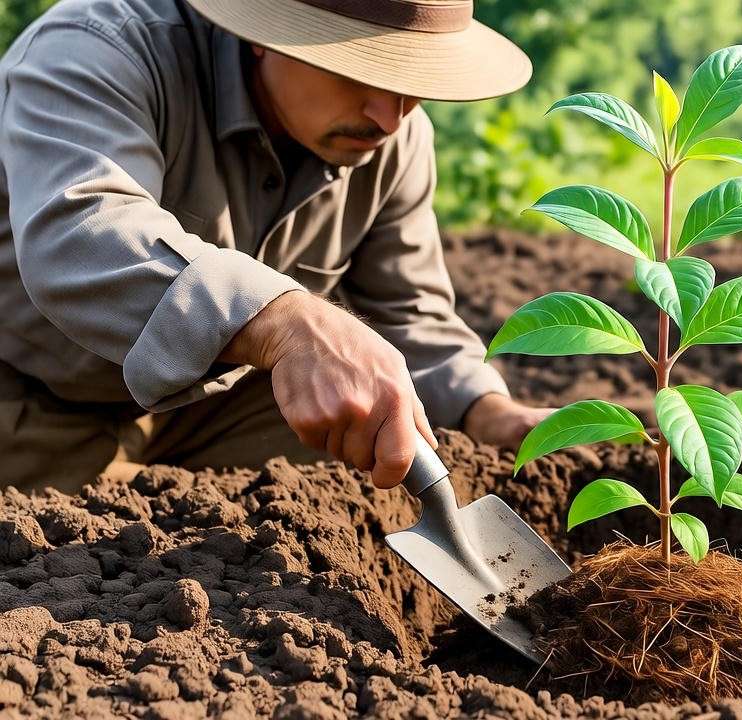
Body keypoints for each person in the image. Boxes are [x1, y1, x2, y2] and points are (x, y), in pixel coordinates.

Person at [0, 0, 553, 494]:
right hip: (28, 400)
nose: (391, 116)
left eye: (414, 77)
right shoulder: (100, 50)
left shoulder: (395, 138)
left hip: (214, 413)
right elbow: (79, 232)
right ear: (265, 30)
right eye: (364, 69)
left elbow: (409, 316)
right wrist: (284, 322)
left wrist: (489, 412)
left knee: (399, 438)